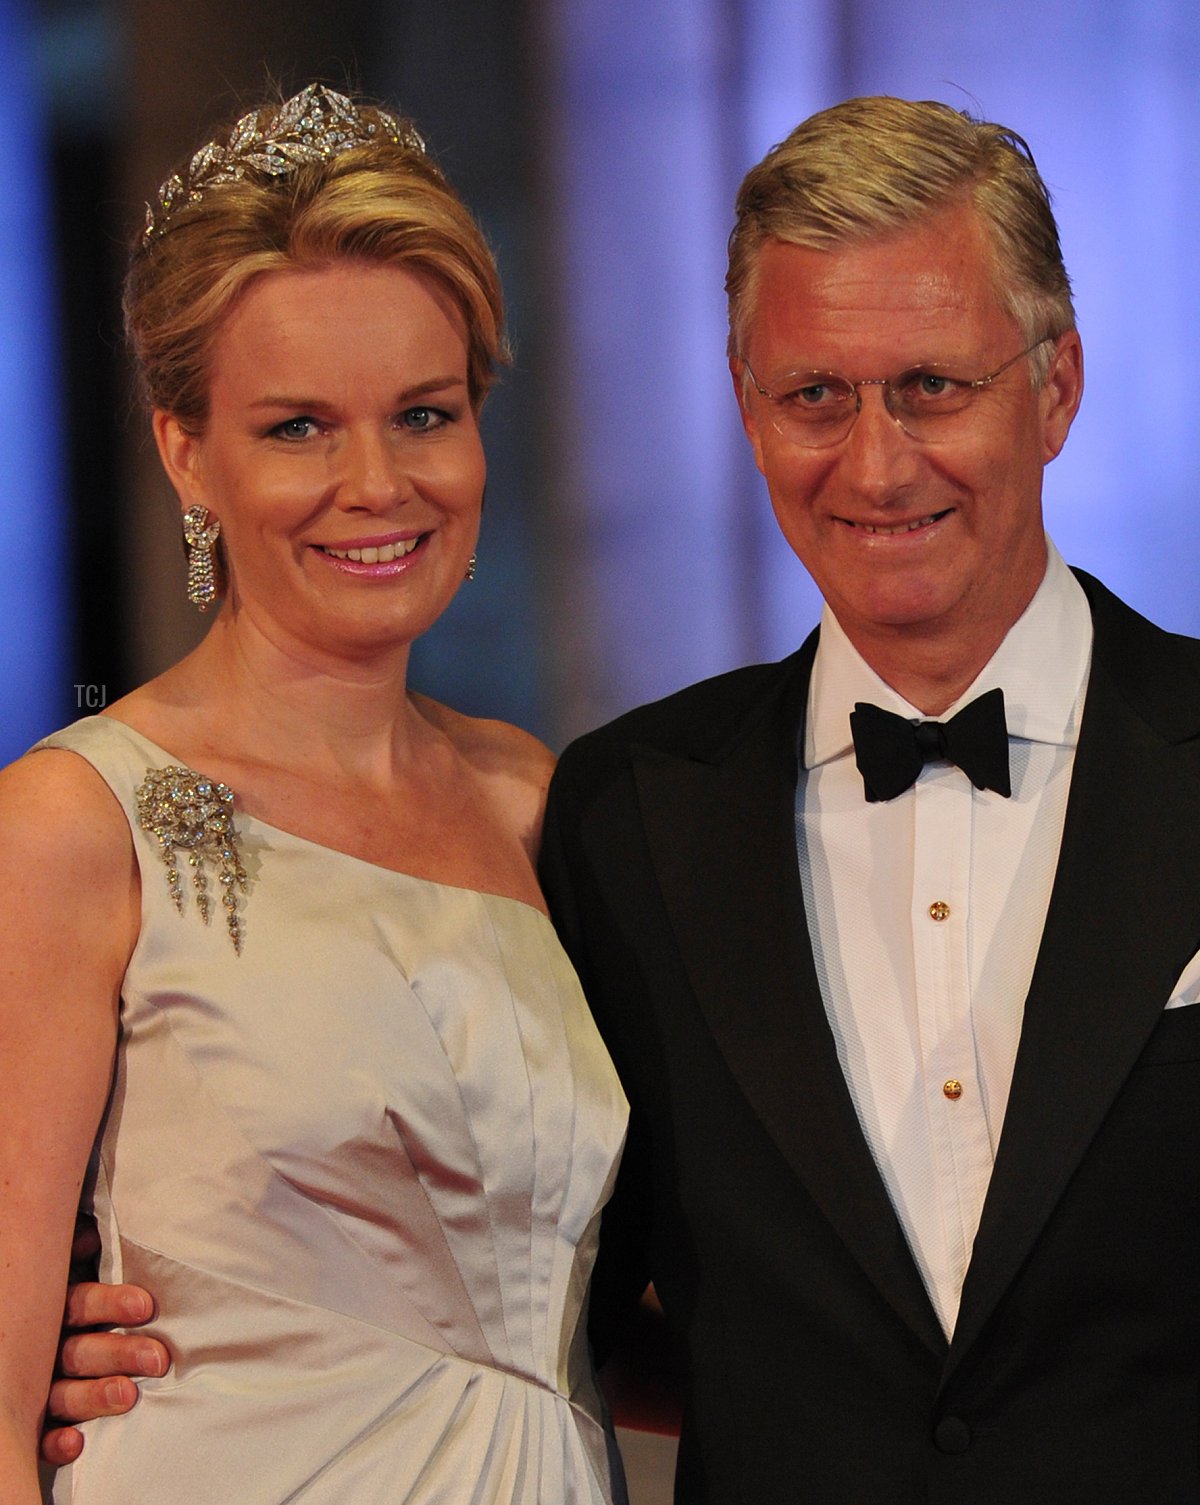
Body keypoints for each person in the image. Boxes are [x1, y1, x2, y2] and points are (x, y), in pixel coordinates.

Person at [44, 94, 1200, 1502]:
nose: (879, 460)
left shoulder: (534, 803)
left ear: (1059, 385)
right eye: (816, 394)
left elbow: (576, 1303)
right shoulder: (638, 812)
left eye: (935, 386)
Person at [2, 84, 628, 1504]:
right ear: (185, 450)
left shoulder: (539, 800)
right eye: (297, 427)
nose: (377, 482)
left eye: (425, 412)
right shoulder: (71, 826)